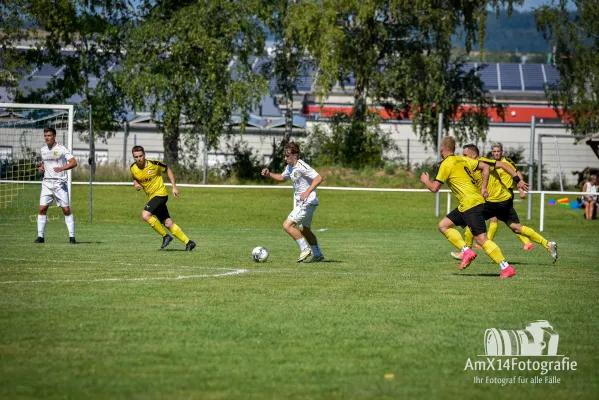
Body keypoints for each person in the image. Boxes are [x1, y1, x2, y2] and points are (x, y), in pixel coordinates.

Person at [420, 136, 518, 278]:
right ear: (454, 149)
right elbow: (485, 167)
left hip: (470, 205)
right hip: (470, 203)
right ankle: (466, 251)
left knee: (482, 240)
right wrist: (483, 187)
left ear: (441, 149)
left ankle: (506, 267)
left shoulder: (446, 164)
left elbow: (435, 188)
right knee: (443, 225)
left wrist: (426, 181)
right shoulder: (464, 159)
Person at [451, 144, 558, 264]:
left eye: (465, 154)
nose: (463, 156)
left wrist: (518, 181)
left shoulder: (482, 161)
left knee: (472, 218)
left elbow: (504, 165)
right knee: (516, 227)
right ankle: (548, 244)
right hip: (503, 201)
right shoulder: (471, 166)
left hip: (495, 202)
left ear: (474, 155)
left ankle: (466, 252)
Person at [261, 142, 325, 263]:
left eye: (287, 156)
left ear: (295, 155)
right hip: (301, 203)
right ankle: (318, 254)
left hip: (307, 202)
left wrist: (307, 191)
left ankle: (305, 249)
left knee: (287, 225)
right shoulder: (290, 167)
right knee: (304, 230)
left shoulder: (302, 166)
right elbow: (282, 177)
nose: (285, 158)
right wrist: (269, 174)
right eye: (284, 156)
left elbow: (318, 178)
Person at [130, 146, 195, 251]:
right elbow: (134, 176)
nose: (139, 159)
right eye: (136, 157)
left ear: (144, 154)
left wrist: (174, 186)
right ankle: (188, 242)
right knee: (168, 223)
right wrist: (136, 184)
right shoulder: (133, 168)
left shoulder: (154, 164)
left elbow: (168, 169)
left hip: (160, 194)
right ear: (134, 157)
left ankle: (165, 236)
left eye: (141, 156)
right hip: (153, 197)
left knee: (145, 215)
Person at [35, 127, 78, 244]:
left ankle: (72, 237)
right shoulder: (43, 149)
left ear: (54, 136)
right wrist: (42, 167)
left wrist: (62, 168)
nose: (46, 138)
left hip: (60, 183)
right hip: (47, 183)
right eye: (45, 136)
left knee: (66, 209)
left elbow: (74, 162)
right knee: (42, 208)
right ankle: (40, 237)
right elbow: (45, 161)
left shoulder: (61, 149)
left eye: (49, 135)